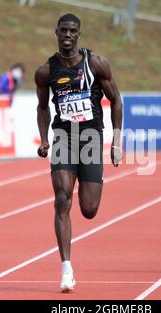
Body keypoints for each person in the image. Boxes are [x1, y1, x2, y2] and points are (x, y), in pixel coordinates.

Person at [35, 13, 123, 292]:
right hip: (63, 136)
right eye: (64, 30)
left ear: (78, 34)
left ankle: (88, 190)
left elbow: (116, 99)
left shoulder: (95, 63)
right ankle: (66, 268)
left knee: (89, 209)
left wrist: (116, 142)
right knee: (62, 198)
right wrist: (44, 138)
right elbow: (41, 107)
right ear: (57, 32)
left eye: (73, 30)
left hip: (91, 137)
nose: (68, 35)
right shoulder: (46, 71)